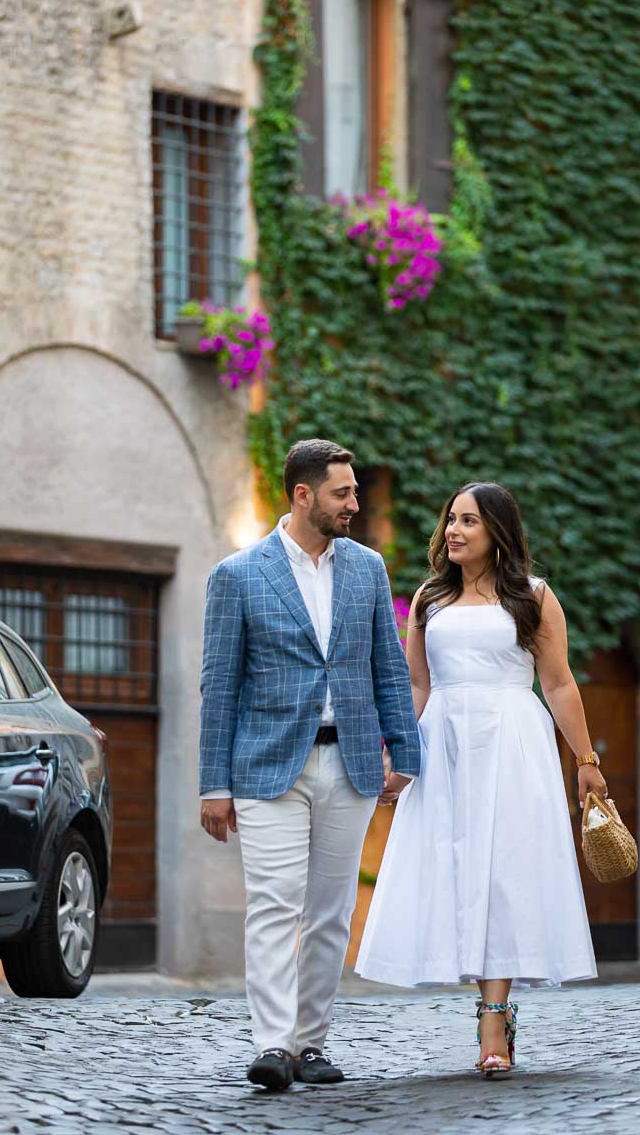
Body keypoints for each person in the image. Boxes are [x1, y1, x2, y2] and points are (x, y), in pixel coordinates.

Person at [355, 481, 604, 1077]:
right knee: (453, 865)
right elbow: (416, 685)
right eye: (450, 521)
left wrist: (587, 761)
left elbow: (560, 682)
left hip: (514, 739)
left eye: (468, 521)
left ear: (497, 530)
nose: (453, 531)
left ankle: (494, 1018)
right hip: (444, 741)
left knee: (503, 871)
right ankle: (482, 1000)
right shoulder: (428, 599)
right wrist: (399, 754)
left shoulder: (535, 597)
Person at [199, 439, 420, 1091]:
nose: (355, 503)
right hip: (268, 768)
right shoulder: (237, 576)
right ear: (303, 495)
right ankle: (272, 1045)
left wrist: (403, 753)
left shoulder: (367, 570)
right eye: (342, 493)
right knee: (273, 904)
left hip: (350, 761)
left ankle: (310, 1044)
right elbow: (220, 686)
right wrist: (214, 784)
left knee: (329, 912)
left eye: (353, 492)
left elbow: (388, 666)